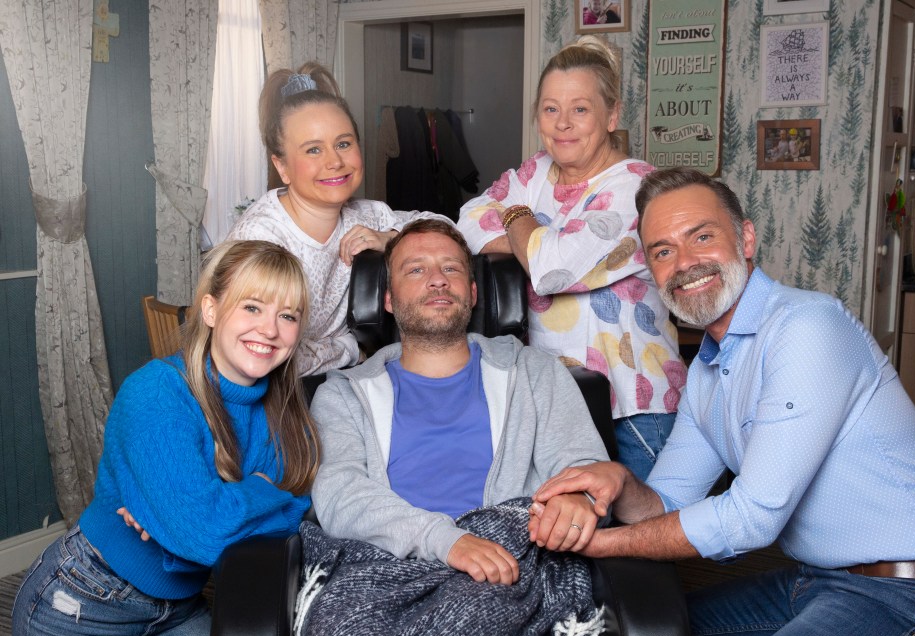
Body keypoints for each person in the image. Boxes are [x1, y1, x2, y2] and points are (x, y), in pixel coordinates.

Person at [529, 167, 915, 636]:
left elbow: (754, 518)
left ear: (746, 238)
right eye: (663, 251)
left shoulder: (807, 326)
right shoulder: (707, 372)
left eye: (702, 236)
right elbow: (667, 501)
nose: (685, 264)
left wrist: (601, 545)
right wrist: (619, 480)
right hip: (812, 583)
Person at [13, 240, 321, 636]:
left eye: (288, 316)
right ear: (212, 310)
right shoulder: (158, 392)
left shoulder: (281, 412)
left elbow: (295, 517)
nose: (270, 329)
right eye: (252, 307)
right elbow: (205, 531)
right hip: (81, 600)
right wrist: (258, 493)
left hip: (177, 607)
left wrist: (186, 518)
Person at [311, 219, 610, 584]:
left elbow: (582, 468)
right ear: (388, 299)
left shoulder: (533, 372)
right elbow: (339, 496)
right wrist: (447, 542)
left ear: (472, 293)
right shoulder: (342, 395)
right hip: (388, 566)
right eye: (416, 269)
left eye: (450, 268)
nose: (437, 279)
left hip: (512, 564)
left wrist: (578, 497)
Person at [457, 36, 685, 481]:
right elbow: (467, 221)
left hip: (636, 402)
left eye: (580, 109)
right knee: (574, 535)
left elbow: (550, 271)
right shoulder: (535, 170)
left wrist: (517, 214)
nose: (563, 124)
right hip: (560, 396)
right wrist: (543, 239)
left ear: (611, 115)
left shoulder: (636, 188)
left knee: (647, 535)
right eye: (550, 109)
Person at [227, 62, 450, 376]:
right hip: (265, 394)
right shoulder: (261, 238)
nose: (334, 161)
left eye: (343, 144)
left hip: (327, 382)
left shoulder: (364, 214)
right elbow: (268, 351)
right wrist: (350, 349)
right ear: (282, 167)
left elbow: (449, 229)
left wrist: (392, 237)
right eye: (313, 150)